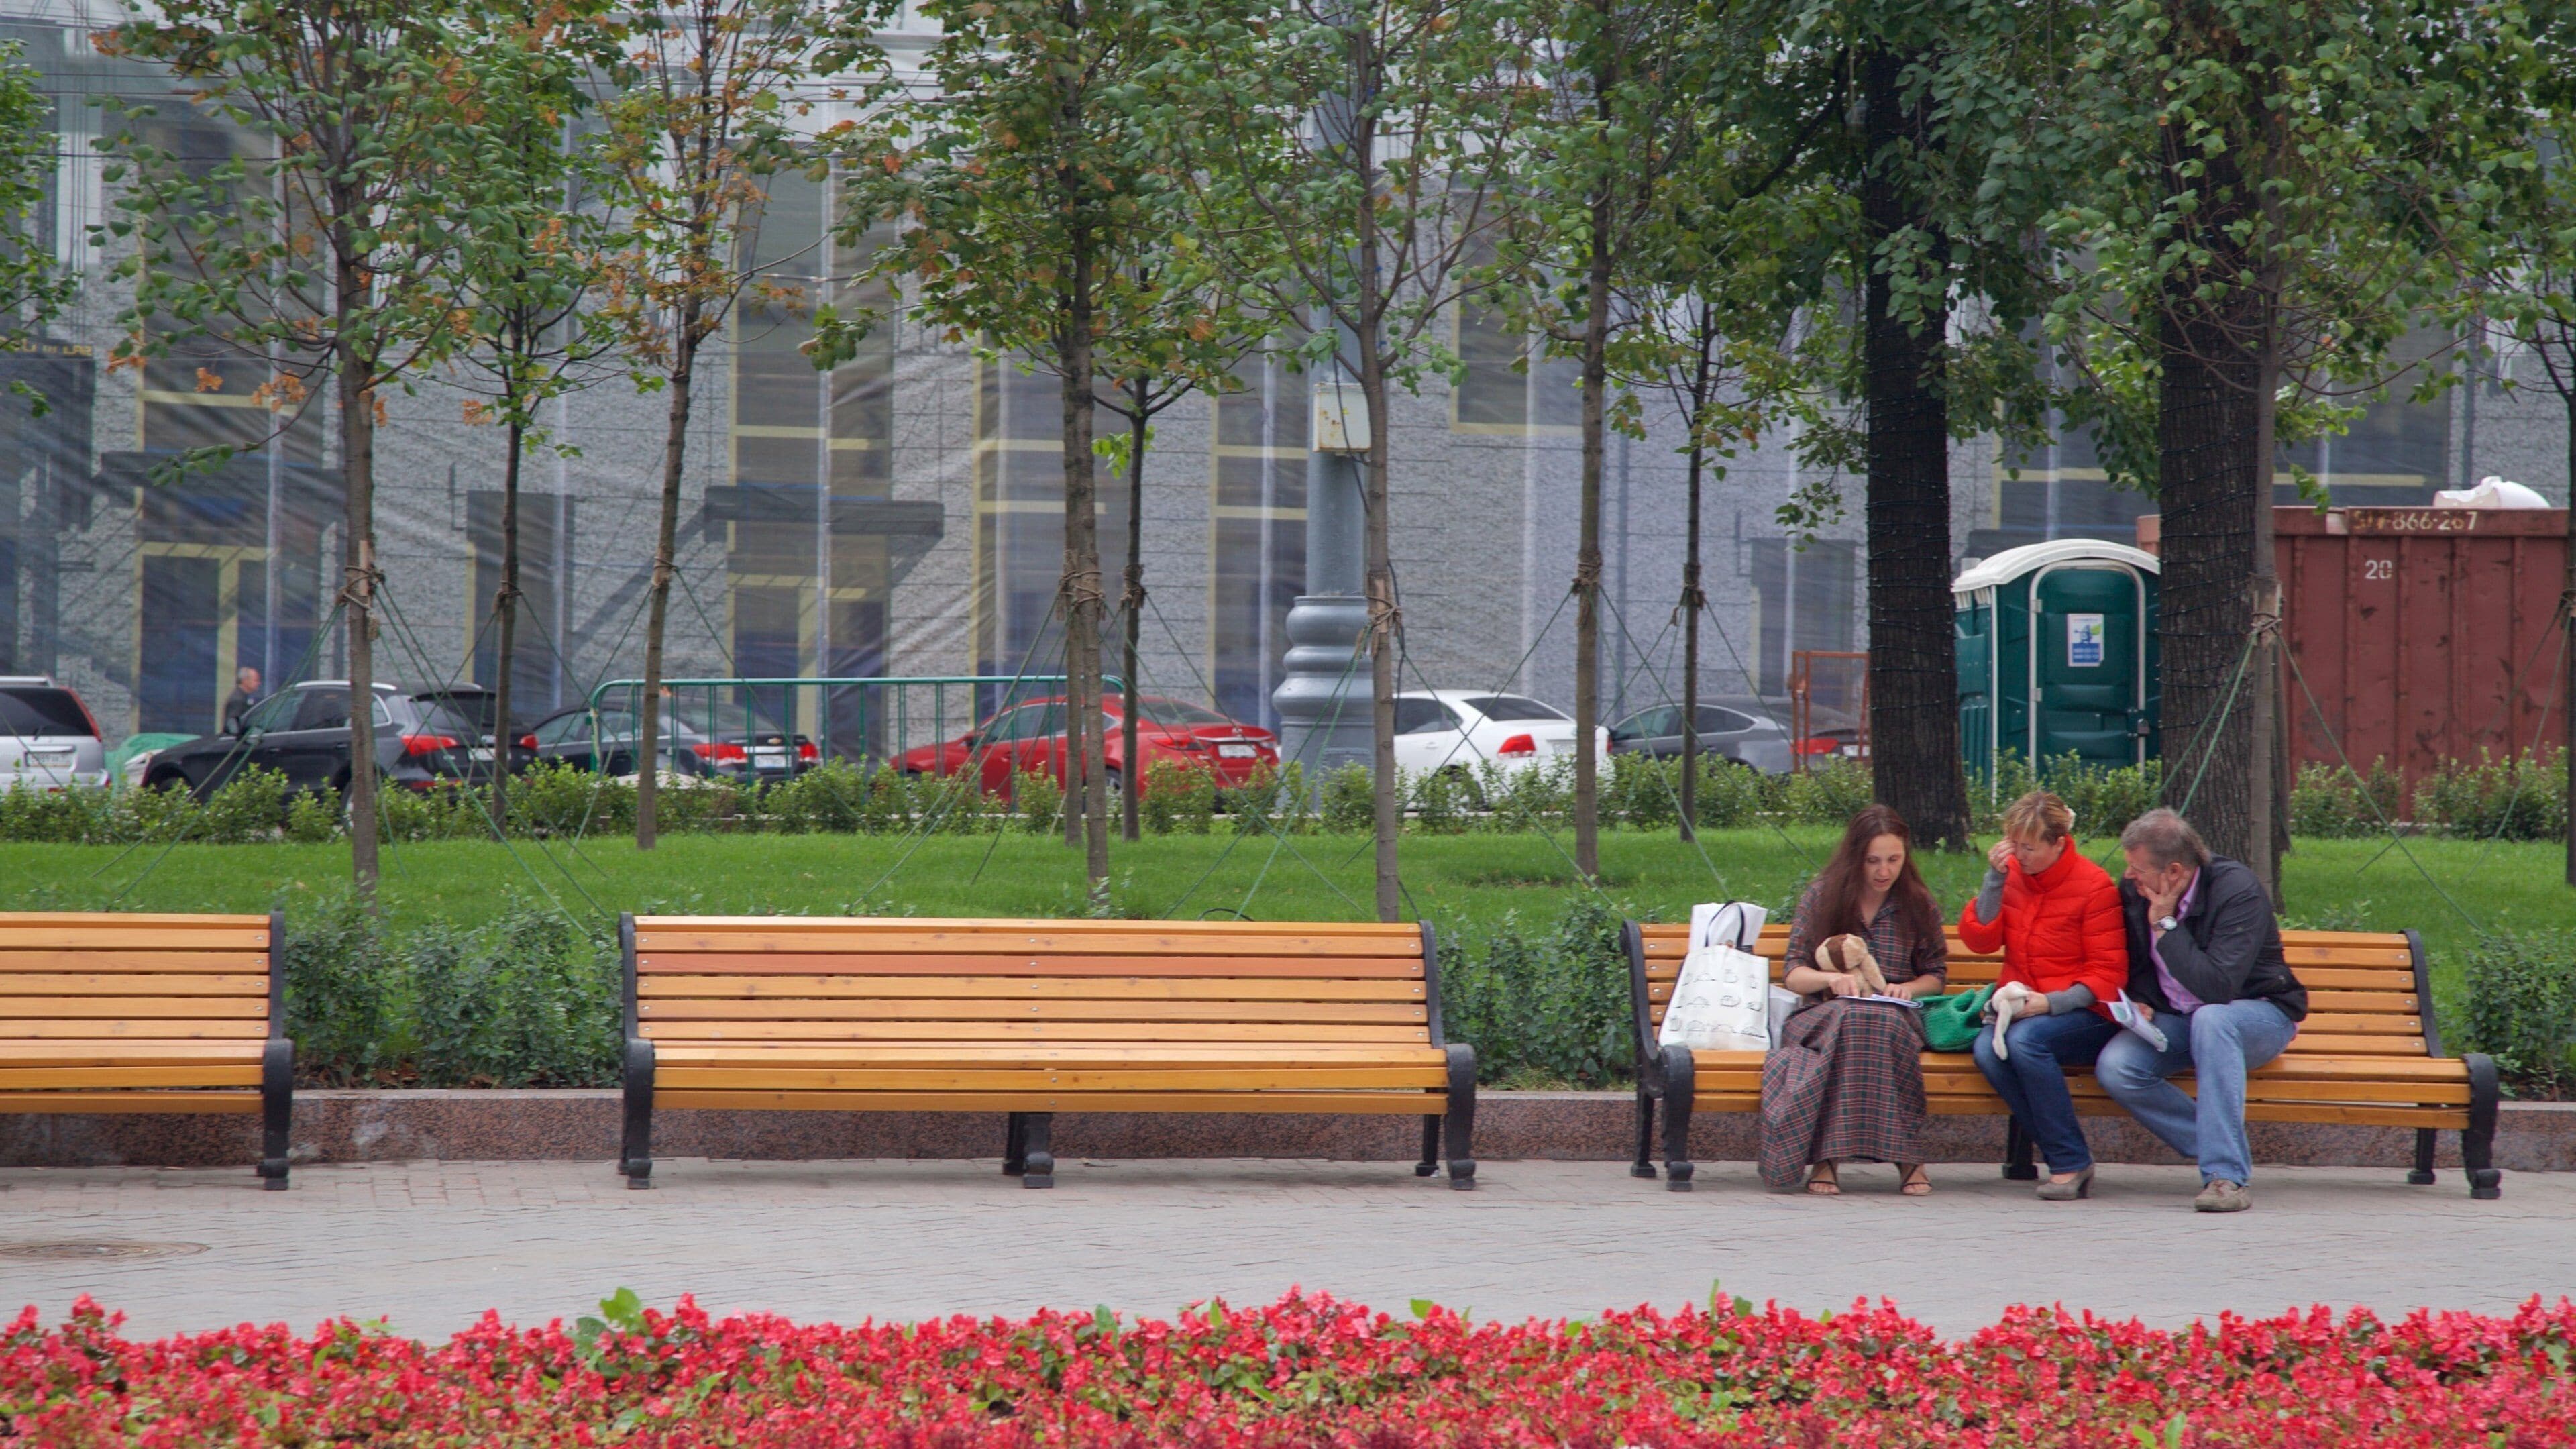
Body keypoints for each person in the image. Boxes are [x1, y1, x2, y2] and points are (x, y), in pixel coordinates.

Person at [2099, 808, 2307, 1214]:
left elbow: (2217, 988)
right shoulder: (2136, 891)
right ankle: (2220, 1142)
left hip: (2256, 1017)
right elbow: (2137, 962)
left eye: (2137, 869)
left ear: (2174, 872)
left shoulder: (2237, 891)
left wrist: (2166, 924)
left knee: (2213, 1019)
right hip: (2180, 1020)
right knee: (2118, 1067)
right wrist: (2139, 997)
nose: (2129, 876)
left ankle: (2226, 1177)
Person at [1764, 804, 1949, 1197]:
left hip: (1893, 1014)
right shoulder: (1823, 896)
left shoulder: (1917, 903)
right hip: (1824, 1013)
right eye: (1873, 861)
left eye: (1894, 860)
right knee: (1854, 1020)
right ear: (1855, 858)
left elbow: (1935, 975)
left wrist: (1908, 988)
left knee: (1869, 1023)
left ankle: (1827, 1160)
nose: (1884, 871)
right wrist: (1831, 978)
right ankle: (1908, 1158)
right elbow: (1793, 973)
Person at [1960, 790, 2129, 1201]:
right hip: (2024, 1007)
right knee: (1987, 1051)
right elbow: (1980, 941)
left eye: (2029, 847)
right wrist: (1994, 879)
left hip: (2086, 1011)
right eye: (2014, 844)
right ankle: (2069, 1156)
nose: (2019, 855)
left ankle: (2068, 1162)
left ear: (2058, 843)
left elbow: (2108, 973)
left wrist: (2050, 1003)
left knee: (2024, 1042)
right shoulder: (2013, 877)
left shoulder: (2094, 886)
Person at [222, 666, 262, 735]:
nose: (259, 683)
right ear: (245, 681)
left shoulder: (245, 697)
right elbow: (233, 727)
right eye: (256, 680)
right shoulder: (237, 700)